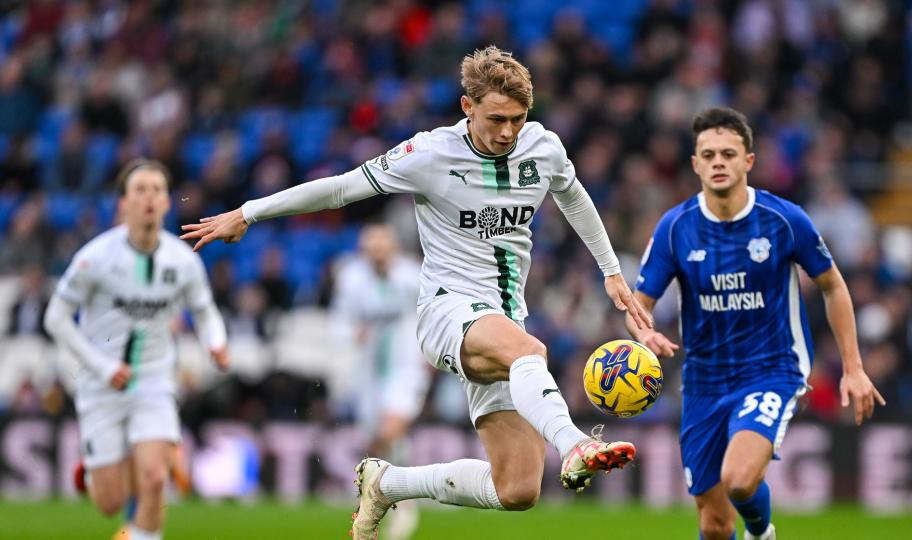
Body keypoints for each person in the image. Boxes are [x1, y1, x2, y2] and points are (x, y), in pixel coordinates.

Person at [181, 45, 651, 540]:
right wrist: (248, 213)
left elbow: (572, 193)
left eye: (517, 119)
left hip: (506, 320)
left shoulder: (543, 148)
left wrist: (611, 271)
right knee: (529, 352)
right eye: (496, 119)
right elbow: (339, 189)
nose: (507, 132)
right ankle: (575, 442)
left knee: (518, 488)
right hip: (447, 311)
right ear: (467, 107)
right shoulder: (429, 154)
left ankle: (387, 483)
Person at [625, 107, 885, 540]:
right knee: (713, 525)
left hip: (771, 371)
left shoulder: (784, 219)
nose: (718, 163)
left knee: (740, 479)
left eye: (728, 153)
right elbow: (640, 303)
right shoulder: (675, 227)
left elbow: (833, 286)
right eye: (708, 155)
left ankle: (762, 534)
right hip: (703, 382)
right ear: (695, 164)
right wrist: (644, 331)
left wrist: (853, 367)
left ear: (749, 161)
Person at [44, 160, 229, 540]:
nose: (149, 198)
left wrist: (217, 343)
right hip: (100, 383)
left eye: (157, 190)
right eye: (139, 190)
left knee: (155, 479)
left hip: (154, 379)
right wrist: (99, 365)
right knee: (110, 503)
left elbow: (206, 311)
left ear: (167, 202)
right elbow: (55, 318)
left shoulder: (182, 261)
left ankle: (141, 521)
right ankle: (98, 470)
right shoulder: (94, 257)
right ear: (123, 203)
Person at [331, 223, 431, 540]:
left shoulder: (413, 275)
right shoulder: (351, 278)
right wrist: (352, 334)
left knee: (390, 430)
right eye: (371, 250)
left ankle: (398, 503)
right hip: (369, 371)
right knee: (377, 440)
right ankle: (387, 498)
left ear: (393, 249)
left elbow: (431, 314)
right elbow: (340, 320)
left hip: (406, 366)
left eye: (382, 249)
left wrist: (433, 352)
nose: (377, 256)